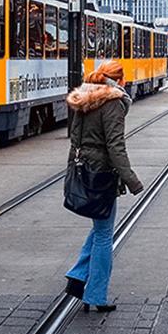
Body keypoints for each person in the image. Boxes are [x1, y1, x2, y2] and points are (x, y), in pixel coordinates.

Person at [62, 60, 143, 313]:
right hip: (103, 174)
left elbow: (75, 139)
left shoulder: (83, 97)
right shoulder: (113, 103)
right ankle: (96, 294)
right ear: (119, 80)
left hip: (85, 168)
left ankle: (77, 276)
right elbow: (115, 146)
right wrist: (132, 180)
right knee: (105, 234)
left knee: (101, 226)